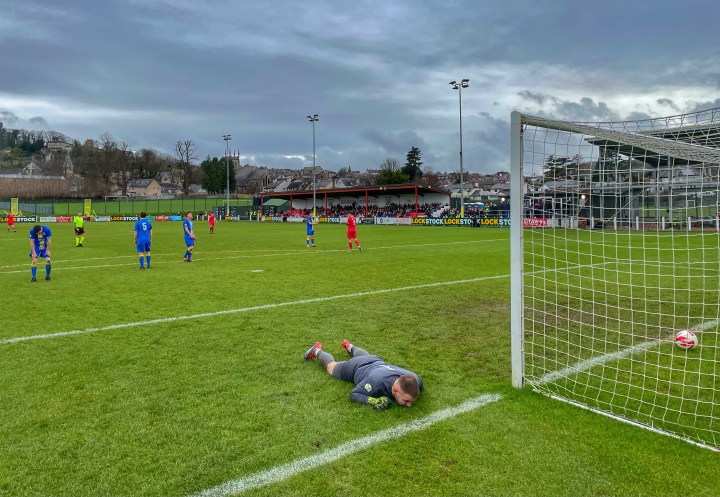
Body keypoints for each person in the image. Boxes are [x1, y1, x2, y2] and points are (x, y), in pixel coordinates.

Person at [304, 340, 423, 411]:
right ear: (396, 390)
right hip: (356, 367)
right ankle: (316, 350)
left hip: (375, 360)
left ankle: (349, 346)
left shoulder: (415, 379)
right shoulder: (375, 382)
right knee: (331, 367)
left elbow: (419, 382)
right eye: (406, 400)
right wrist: (372, 400)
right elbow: (354, 394)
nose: (409, 404)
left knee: (367, 356)